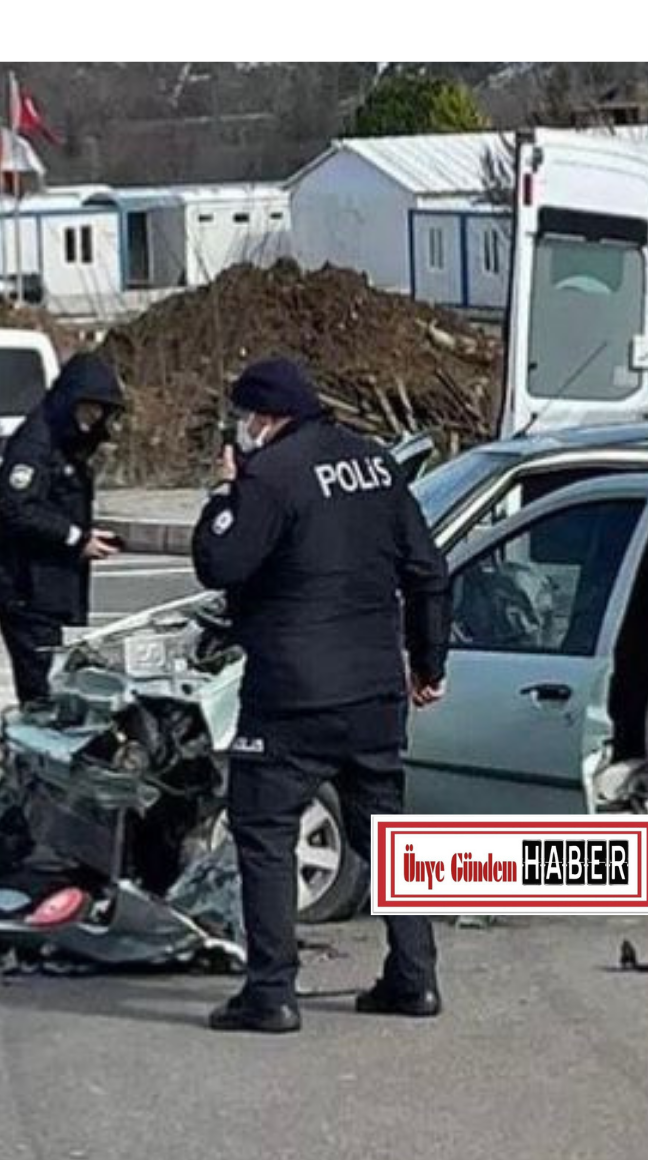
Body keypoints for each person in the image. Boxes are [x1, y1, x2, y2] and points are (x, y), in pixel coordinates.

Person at [191, 357, 451, 1034]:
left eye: (245, 418)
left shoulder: (269, 478)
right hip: (373, 690)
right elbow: (428, 570)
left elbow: (219, 563)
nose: (242, 431)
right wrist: (429, 662)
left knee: (266, 830)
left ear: (265, 417)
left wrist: (225, 495)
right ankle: (414, 978)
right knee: (391, 837)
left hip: (292, 691)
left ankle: (272, 991)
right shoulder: (374, 463)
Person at [0, 353, 127, 705]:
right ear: (70, 401)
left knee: (53, 682)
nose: (93, 420)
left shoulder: (63, 441)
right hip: (25, 588)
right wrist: (76, 539)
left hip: (43, 588)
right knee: (43, 691)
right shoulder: (35, 443)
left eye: (100, 412)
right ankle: (31, 753)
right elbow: (17, 508)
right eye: (88, 409)